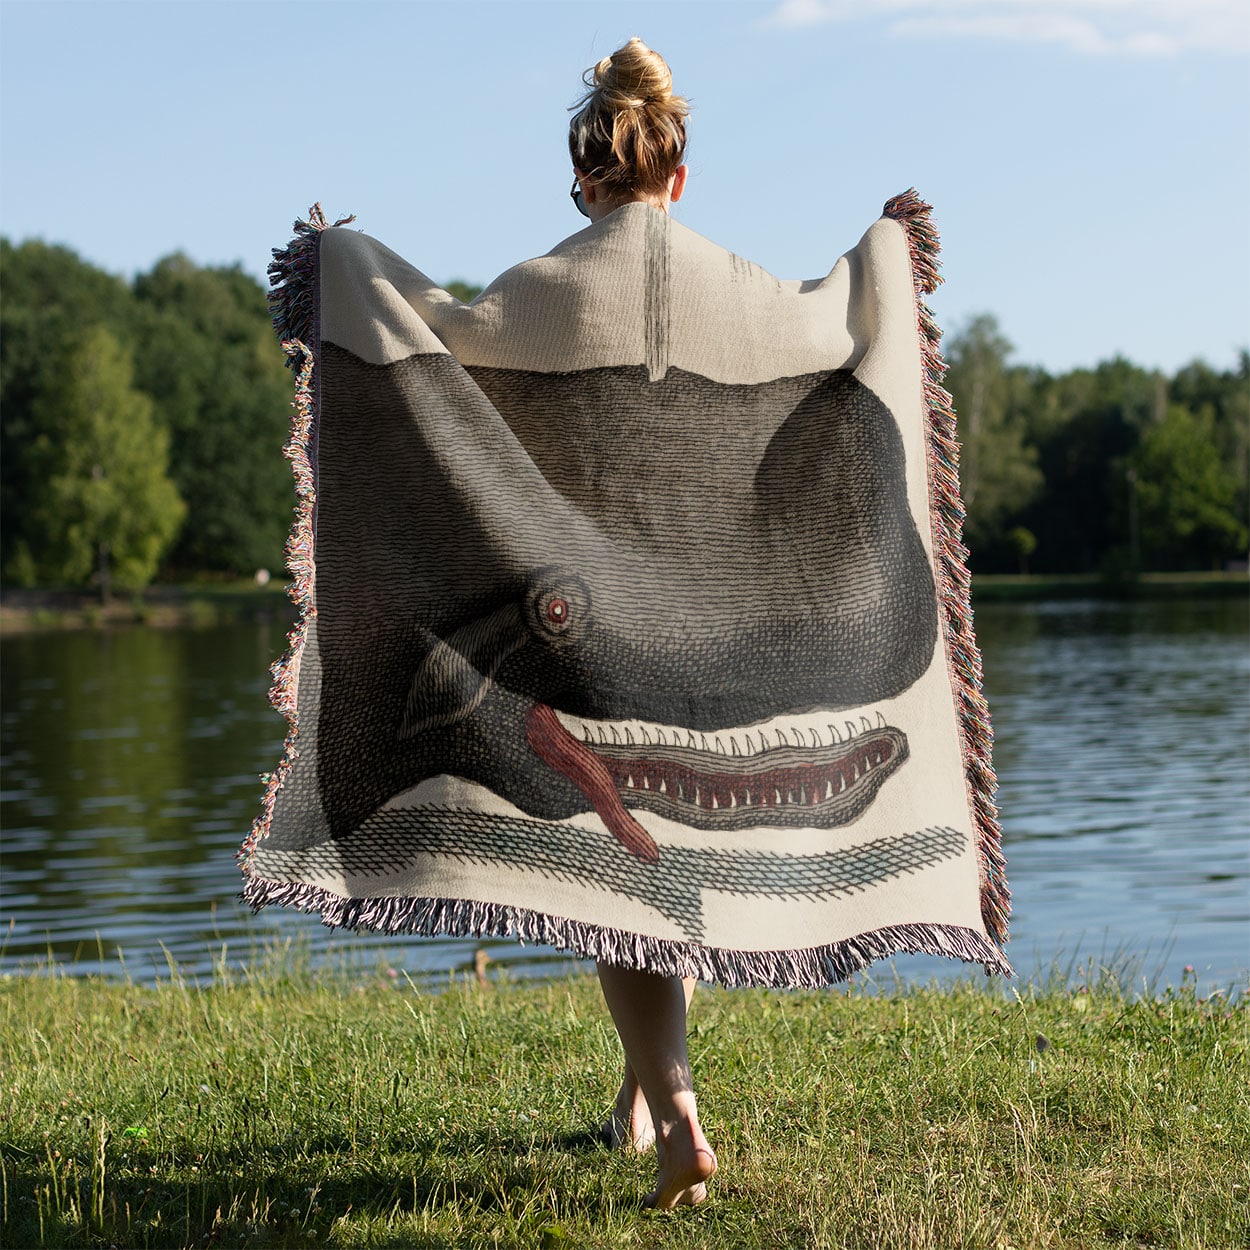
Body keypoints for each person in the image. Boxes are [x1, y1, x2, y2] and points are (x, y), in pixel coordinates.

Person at [565, 37, 717, 1212]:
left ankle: (677, 1118)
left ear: (586, 180)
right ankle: (632, 1099)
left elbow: (437, 362)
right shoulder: (730, 285)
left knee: (617, 881)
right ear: (675, 174)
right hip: (710, 619)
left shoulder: (548, 284)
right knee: (658, 868)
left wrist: (345, 271)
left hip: (594, 621)